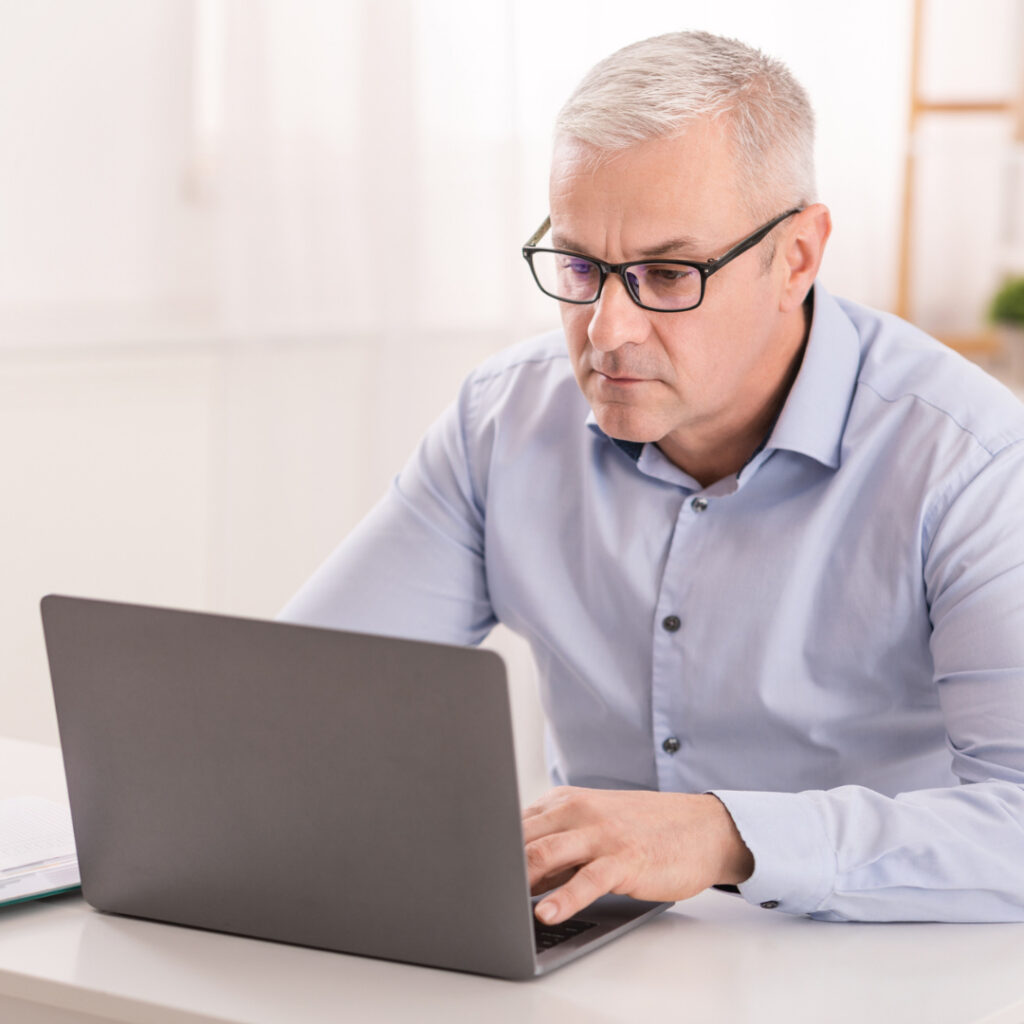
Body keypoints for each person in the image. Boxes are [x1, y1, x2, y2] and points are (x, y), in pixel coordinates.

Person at [279, 31, 1024, 925]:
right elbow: (299, 699)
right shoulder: (503, 421)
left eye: (668, 274)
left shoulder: (971, 464)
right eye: (582, 267)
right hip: (588, 953)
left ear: (795, 259)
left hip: (871, 963)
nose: (606, 332)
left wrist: (723, 835)